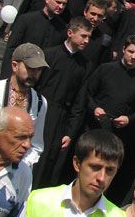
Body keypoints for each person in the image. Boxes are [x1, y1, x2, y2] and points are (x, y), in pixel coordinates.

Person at [84, 35, 135, 205]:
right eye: (130, 52)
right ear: (123, 50)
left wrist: (128, 119)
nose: (133, 57)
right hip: (94, 129)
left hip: (118, 136)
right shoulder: (106, 69)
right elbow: (88, 93)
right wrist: (95, 109)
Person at [33, 19, 93, 188]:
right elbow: (35, 85)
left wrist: (70, 132)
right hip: (39, 112)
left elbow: (79, 102)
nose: (86, 41)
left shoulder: (85, 65)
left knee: (48, 164)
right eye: (83, 36)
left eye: (89, 37)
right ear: (70, 33)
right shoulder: (49, 54)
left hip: (60, 120)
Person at [0, 0, 68, 77]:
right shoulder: (26, 20)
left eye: (64, 4)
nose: (61, 6)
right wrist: (6, 76)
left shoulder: (62, 28)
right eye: (58, 2)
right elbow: (11, 50)